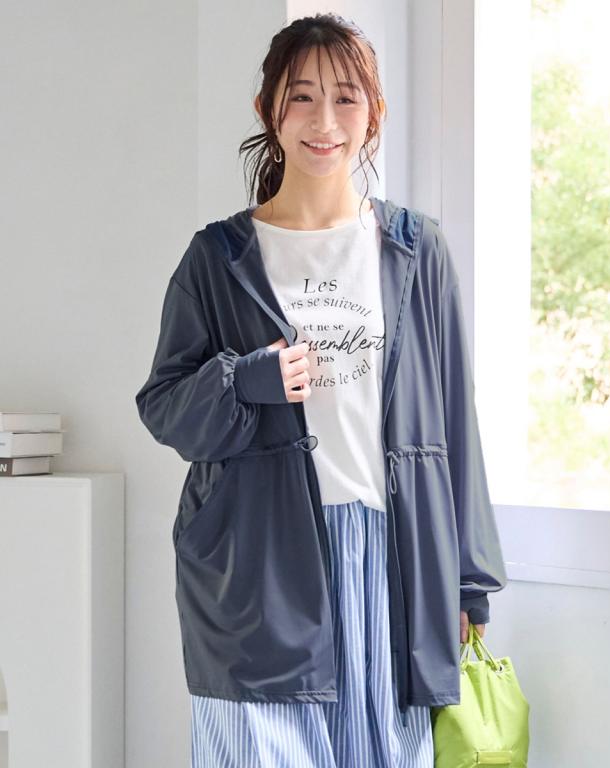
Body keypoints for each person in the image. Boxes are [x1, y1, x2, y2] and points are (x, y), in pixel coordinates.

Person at [135, 12, 507, 768]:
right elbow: (165, 407)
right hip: (260, 564)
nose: (324, 121)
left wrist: (468, 581)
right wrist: (247, 379)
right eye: (301, 96)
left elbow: (453, 420)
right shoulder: (219, 257)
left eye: (346, 98)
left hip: (391, 561)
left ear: (374, 113)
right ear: (268, 110)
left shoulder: (414, 249)